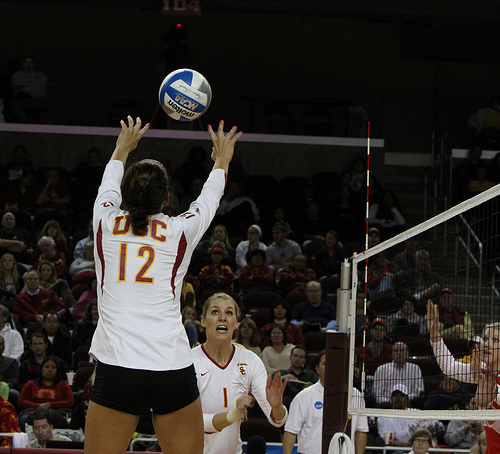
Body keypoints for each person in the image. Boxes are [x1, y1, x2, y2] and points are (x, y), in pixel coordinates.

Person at [85, 117, 242, 454]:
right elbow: (208, 201)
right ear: (166, 198)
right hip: (170, 368)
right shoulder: (178, 231)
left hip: (118, 367)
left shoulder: (104, 222)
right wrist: (221, 161)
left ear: (125, 194)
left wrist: (121, 148)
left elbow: (108, 184)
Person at [192, 292, 287, 454]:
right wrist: (232, 415)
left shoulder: (250, 360)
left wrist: (277, 407)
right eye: (215, 312)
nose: (222, 317)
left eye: (229, 313)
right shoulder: (189, 361)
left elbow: (277, 420)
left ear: (236, 323)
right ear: (203, 321)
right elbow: (192, 422)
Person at [283, 350, 368, 454]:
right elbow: (291, 432)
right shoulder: (303, 397)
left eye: (334, 363)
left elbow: (361, 430)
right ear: (317, 369)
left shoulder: (355, 395)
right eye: (324, 364)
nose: (330, 367)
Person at [18, 356, 73, 429]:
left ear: (57, 370)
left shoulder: (63, 385)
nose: (50, 370)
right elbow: (21, 401)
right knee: (23, 419)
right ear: (41, 369)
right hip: (34, 411)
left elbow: (70, 402)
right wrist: (38, 407)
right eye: (46, 367)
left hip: (57, 412)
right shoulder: (30, 384)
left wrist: (50, 404)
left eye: (53, 368)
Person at [373, 341, 424, 406]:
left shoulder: (415, 369)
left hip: (409, 407)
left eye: (402, 350)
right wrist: (392, 403)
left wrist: (404, 402)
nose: (399, 353)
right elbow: (377, 395)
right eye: (396, 351)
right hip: (387, 408)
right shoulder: (381, 369)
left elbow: (418, 392)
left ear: (407, 353)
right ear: (392, 354)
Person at [9, 56, 49, 124]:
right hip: (22, 100)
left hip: (38, 100)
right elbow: (17, 83)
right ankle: (25, 124)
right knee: (13, 103)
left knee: (52, 102)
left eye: (30, 62)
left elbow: (41, 85)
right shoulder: (17, 75)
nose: (28, 64)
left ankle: (44, 125)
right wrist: (33, 80)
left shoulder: (41, 75)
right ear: (23, 64)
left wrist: (25, 83)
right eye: (26, 62)